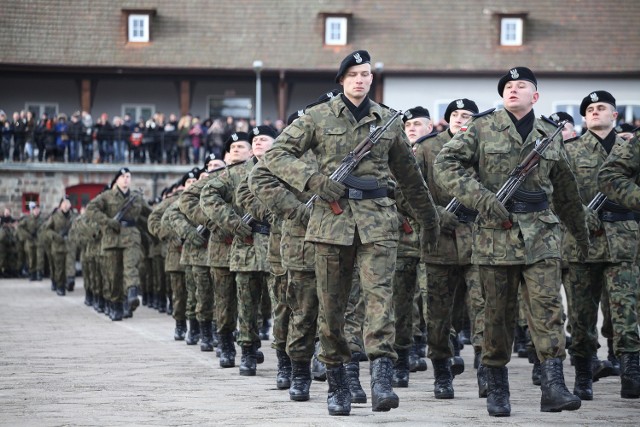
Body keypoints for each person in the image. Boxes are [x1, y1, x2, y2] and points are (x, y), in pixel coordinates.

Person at [262, 50, 439, 415]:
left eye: (366, 74)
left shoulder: (388, 122)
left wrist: (429, 219)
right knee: (332, 307)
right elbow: (276, 156)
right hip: (331, 223)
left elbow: (410, 177)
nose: (360, 80)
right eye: (354, 74)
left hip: (378, 222)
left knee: (379, 300)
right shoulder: (316, 117)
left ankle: (381, 379)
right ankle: (339, 382)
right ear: (342, 80)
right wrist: (313, 181)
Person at [433, 66, 589, 416]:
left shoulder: (550, 133)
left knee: (547, 311)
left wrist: (579, 234)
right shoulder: (482, 127)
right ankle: (497, 388)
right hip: (495, 234)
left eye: (521, 86)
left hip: (542, 234)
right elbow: (445, 164)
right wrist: (480, 198)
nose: (513, 89)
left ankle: (554, 386)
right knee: (496, 315)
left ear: (535, 96)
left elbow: (565, 189)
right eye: (508, 86)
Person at [413, 99, 485, 398]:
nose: (460, 119)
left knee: (484, 309)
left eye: (467, 115)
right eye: (454, 115)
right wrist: (433, 214)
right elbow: (409, 190)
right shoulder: (427, 148)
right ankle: (442, 372)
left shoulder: (485, 147)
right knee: (438, 314)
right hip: (439, 241)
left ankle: (487, 371)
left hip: (479, 239)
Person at [595, 114, 640, 400]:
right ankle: (630, 369)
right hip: (619, 233)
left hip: (625, 234)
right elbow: (610, 176)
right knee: (624, 302)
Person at [86, 168, 151, 320]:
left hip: (131, 237)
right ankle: (116, 305)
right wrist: (108, 221)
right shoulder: (106, 196)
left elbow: (149, 213)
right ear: (116, 180)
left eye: (128, 176)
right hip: (112, 238)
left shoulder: (136, 197)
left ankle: (132, 293)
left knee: (130, 267)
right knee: (113, 274)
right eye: (123, 176)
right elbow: (90, 209)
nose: (126, 179)